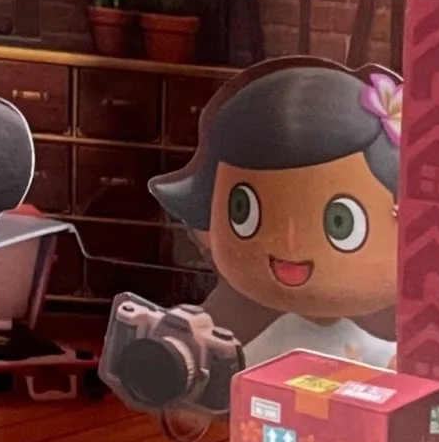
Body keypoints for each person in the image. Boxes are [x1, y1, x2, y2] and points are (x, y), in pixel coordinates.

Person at [150, 58, 400, 370]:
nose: (291, 245)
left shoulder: (375, 342)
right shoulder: (260, 336)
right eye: (242, 211)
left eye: (341, 223)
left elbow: (394, 368)